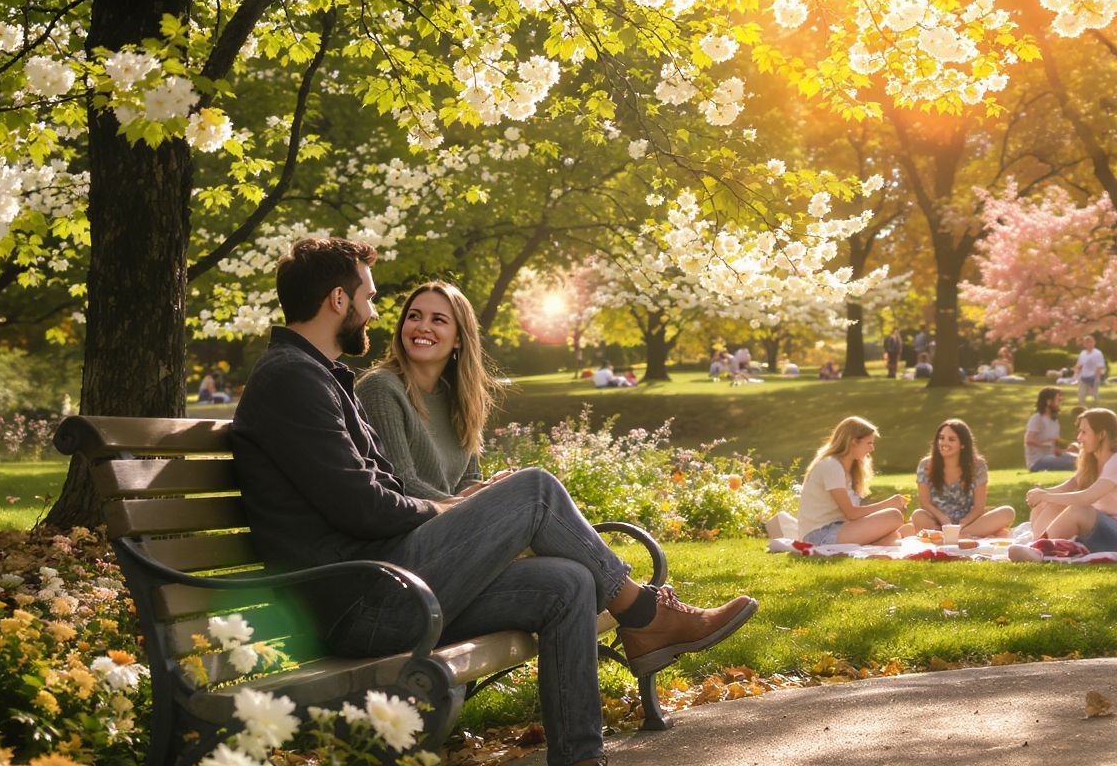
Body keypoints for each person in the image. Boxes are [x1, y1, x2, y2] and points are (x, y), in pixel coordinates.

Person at [231, 238, 757, 766]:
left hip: (386, 582)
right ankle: (644, 613)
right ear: (338, 301)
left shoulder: (320, 376)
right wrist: (452, 510)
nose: (373, 311)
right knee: (534, 489)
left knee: (568, 584)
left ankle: (580, 756)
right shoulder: (293, 379)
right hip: (357, 603)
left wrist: (463, 510)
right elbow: (365, 507)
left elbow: (378, 491)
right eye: (367, 296)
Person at [356, 281, 496, 500]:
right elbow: (400, 484)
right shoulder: (380, 388)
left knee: (528, 487)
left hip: (450, 521)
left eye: (438, 320)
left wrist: (488, 489)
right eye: (414, 316)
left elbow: (469, 479)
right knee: (537, 486)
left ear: (459, 338)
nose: (422, 327)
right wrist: (460, 506)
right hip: (409, 528)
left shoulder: (458, 397)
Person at [1027, 408, 1117, 553]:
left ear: (1102, 434)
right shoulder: (1093, 461)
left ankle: (1038, 549)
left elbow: (1087, 498)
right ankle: (1038, 543)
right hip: (1103, 530)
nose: (1079, 437)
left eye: (1084, 432)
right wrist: (1040, 495)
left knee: (1079, 508)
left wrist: (1045, 496)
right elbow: (1066, 487)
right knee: (1052, 502)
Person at [796, 416, 908, 546]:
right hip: (819, 535)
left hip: (839, 527)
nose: (872, 449)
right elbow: (851, 513)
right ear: (854, 442)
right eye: (869, 443)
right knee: (893, 516)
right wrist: (889, 503)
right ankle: (880, 541)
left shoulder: (849, 469)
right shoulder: (831, 465)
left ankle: (881, 541)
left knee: (895, 531)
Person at [911, 419, 1015, 537]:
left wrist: (962, 524)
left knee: (1007, 512)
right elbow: (925, 503)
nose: (944, 443)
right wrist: (944, 520)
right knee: (918, 515)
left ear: (963, 444)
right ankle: (945, 536)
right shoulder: (925, 465)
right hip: (937, 522)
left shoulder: (978, 466)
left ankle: (960, 536)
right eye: (941, 438)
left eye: (951, 439)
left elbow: (978, 507)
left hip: (969, 523)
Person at [1024, 388, 1076, 472]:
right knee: (1075, 462)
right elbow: (1028, 440)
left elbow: (1054, 445)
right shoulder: (1037, 418)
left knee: (1080, 458)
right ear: (1048, 402)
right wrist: (1045, 444)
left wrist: (1065, 450)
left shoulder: (1054, 420)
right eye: (1058, 400)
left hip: (1051, 457)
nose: (1060, 402)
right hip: (1038, 462)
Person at [1074, 335, 1106, 404]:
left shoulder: (1097, 353)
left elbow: (1100, 367)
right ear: (1084, 344)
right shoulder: (1082, 353)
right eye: (1086, 342)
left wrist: (1095, 378)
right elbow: (1079, 365)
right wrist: (1076, 375)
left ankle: (1096, 406)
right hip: (1083, 376)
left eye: (1090, 342)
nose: (1088, 344)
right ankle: (1082, 407)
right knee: (1081, 394)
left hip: (1093, 376)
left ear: (1094, 342)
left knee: (1094, 394)